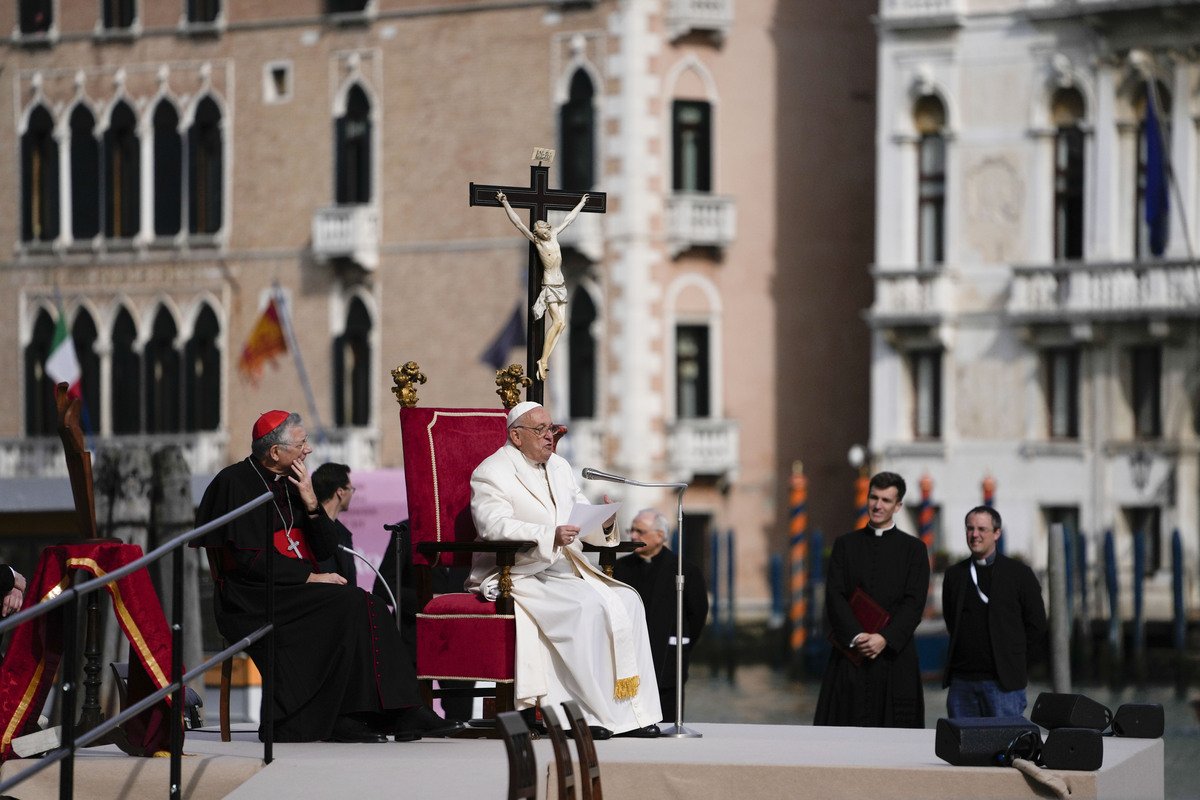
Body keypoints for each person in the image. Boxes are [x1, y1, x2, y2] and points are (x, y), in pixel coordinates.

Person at [193, 410, 463, 743]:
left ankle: (394, 713)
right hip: (250, 597)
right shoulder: (233, 483)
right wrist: (308, 579)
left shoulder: (294, 484)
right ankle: (351, 717)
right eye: (301, 443)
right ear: (275, 452)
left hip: (291, 590)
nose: (307, 450)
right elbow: (248, 559)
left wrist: (310, 502)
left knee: (370, 605)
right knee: (352, 604)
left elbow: (324, 549)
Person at [467, 401, 662, 738]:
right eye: (540, 430)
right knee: (585, 608)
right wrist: (547, 535)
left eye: (551, 428)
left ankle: (632, 715)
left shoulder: (559, 466)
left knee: (629, 601)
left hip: (564, 568)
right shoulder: (492, 471)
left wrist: (604, 522)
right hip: (519, 571)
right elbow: (492, 525)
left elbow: (580, 513)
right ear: (516, 435)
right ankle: (586, 716)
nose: (549, 436)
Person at [814, 471, 930, 728]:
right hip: (850, 656)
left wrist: (884, 639)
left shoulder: (915, 550)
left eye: (886, 500)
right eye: (874, 498)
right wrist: (857, 637)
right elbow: (834, 595)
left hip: (894, 658)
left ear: (898, 506)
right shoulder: (845, 545)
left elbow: (914, 603)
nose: (878, 505)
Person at [941, 506, 1048, 718]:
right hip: (962, 683)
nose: (975, 535)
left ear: (996, 533)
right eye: (970, 529)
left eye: (982, 529)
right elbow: (951, 620)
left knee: (1004, 749)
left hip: (1003, 685)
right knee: (961, 749)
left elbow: (1037, 625)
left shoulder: (1019, 574)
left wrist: (1015, 661)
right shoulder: (955, 575)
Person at [613, 509, 709, 724]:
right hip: (629, 657)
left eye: (640, 531)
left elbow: (698, 614)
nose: (633, 536)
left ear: (659, 535)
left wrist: (683, 644)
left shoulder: (685, 569)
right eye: (632, 530)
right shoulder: (620, 568)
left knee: (667, 719)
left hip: (668, 656)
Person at [496, 191, 588, 381]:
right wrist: (506, 203)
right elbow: (518, 224)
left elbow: (569, 219)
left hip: (561, 284)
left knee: (562, 325)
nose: (541, 232)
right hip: (550, 285)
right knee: (555, 322)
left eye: (542, 229)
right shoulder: (538, 242)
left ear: (547, 228)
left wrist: (581, 203)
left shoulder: (554, 235)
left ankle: (544, 358)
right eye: (538, 231)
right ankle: (543, 360)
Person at [311, 462, 358, 587]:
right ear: (340, 492)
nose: (351, 494)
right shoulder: (310, 529)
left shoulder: (343, 533)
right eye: (350, 489)